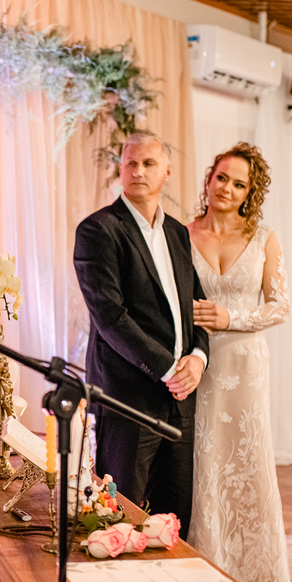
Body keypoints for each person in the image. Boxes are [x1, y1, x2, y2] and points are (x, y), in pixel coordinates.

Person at [73, 132, 209, 536]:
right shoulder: (98, 230)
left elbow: (197, 306)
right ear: (121, 170)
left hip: (181, 399)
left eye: (149, 163)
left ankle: (168, 578)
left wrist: (198, 359)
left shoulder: (178, 233)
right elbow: (110, 317)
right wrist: (170, 369)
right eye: (130, 163)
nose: (138, 171)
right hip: (128, 398)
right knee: (118, 516)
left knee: (174, 518)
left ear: (167, 171)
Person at [187, 142, 292, 582]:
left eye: (239, 184)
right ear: (208, 179)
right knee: (204, 465)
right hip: (200, 364)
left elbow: (280, 306)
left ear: (250, 193)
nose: (228, 189)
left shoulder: (264, 237)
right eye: (222, 178)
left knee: (248, 465)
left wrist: (232, 317)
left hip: (247, 367)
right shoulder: (182, 234)